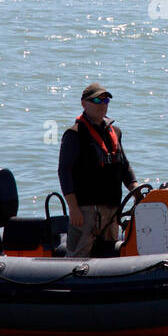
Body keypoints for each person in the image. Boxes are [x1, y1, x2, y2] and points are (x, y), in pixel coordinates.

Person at [58, 83, 140, 257]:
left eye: (106, 100)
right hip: (86, 211)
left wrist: (137, 192)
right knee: (77, 258)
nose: (103, 104)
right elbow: (64, 172)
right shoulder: (74, 135)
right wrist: (73, 208)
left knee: (109, 255)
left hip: (112, 210)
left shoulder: (115, 132)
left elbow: (124, 166)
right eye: (97, 100)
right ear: (84, 104)